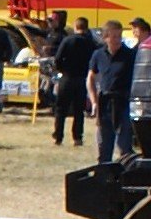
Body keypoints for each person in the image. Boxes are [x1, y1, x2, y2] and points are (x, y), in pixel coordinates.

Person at [88, 19, 137, 165]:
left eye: (119, 36)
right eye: (114, 36)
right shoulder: (98, 55)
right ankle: (104, 174)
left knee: (124, 143)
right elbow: (91, 78)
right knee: (104, 142)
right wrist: (94, 102)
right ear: (105, 38)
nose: (117, 40)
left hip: (123, 101)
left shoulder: (129, 55)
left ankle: (126, 172)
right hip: (104, 102)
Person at [50, 16, 99, 148]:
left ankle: (58, 137)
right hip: (82, 79)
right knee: (79, 110)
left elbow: (58, 58)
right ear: (86, 27)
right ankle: (77, 137)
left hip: (67, 77)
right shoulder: (91, 43)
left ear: (76, 27)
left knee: (61, 109)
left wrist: (62, 70)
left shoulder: (68, 40)